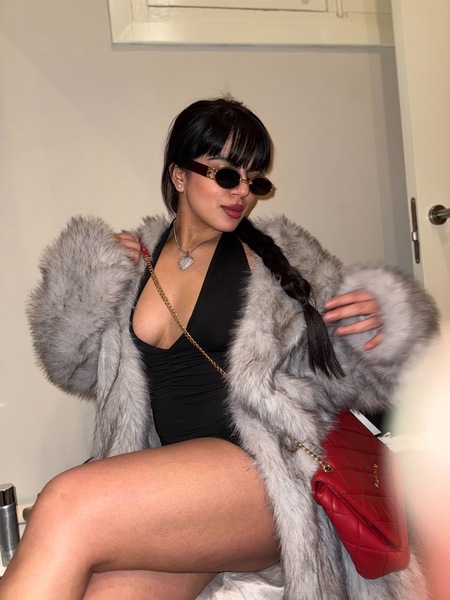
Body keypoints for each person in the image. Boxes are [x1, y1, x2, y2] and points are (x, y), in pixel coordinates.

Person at [0, 97, 438, 600]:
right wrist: (90, 278)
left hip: (266, 478)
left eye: (255, 180)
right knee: (106, 592)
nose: (243, 192)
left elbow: (353, 381)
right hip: (182, 490)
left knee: (63, 501)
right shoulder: (133, 263)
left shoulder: (278, 259)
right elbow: (72, 368)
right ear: (179, 175)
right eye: (228, 174)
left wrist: (382, 327)